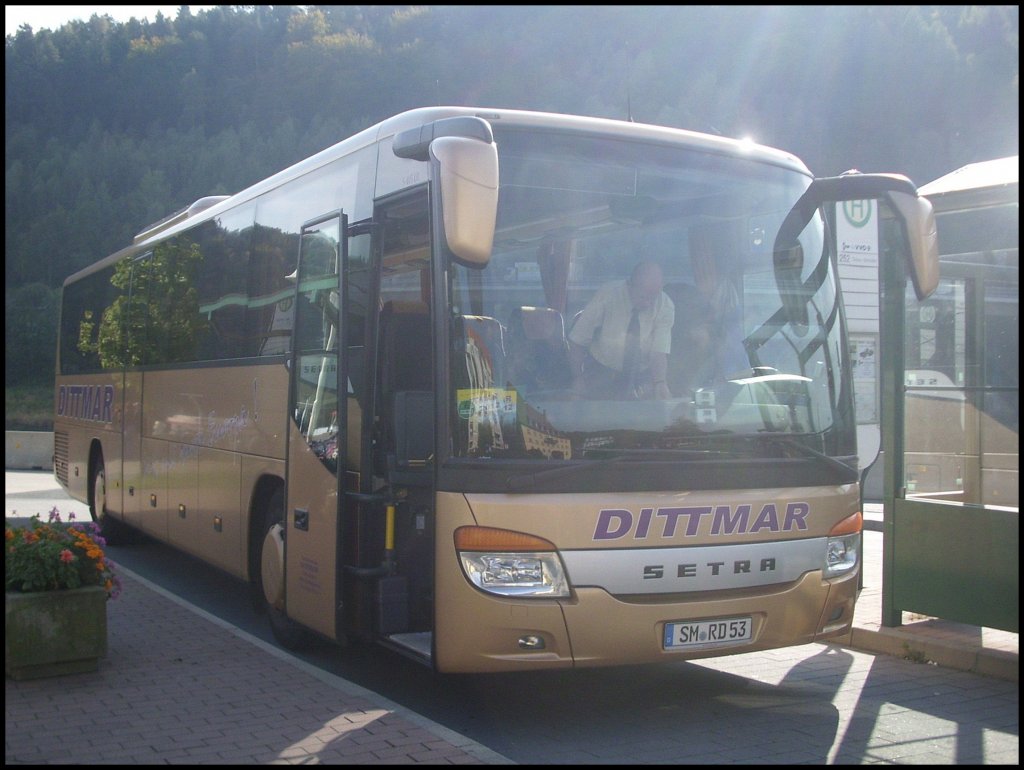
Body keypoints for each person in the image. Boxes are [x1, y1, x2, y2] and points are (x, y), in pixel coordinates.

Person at [568, 260, 675, 399]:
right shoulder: (607, 295)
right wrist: (578, 377)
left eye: (653, 297)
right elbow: (578, 339)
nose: (648, 303)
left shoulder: (665, 305)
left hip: (641, 376)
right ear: (629, 286)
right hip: (601, 371)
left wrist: (660, 382)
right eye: (643, 297)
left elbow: (659, 352)